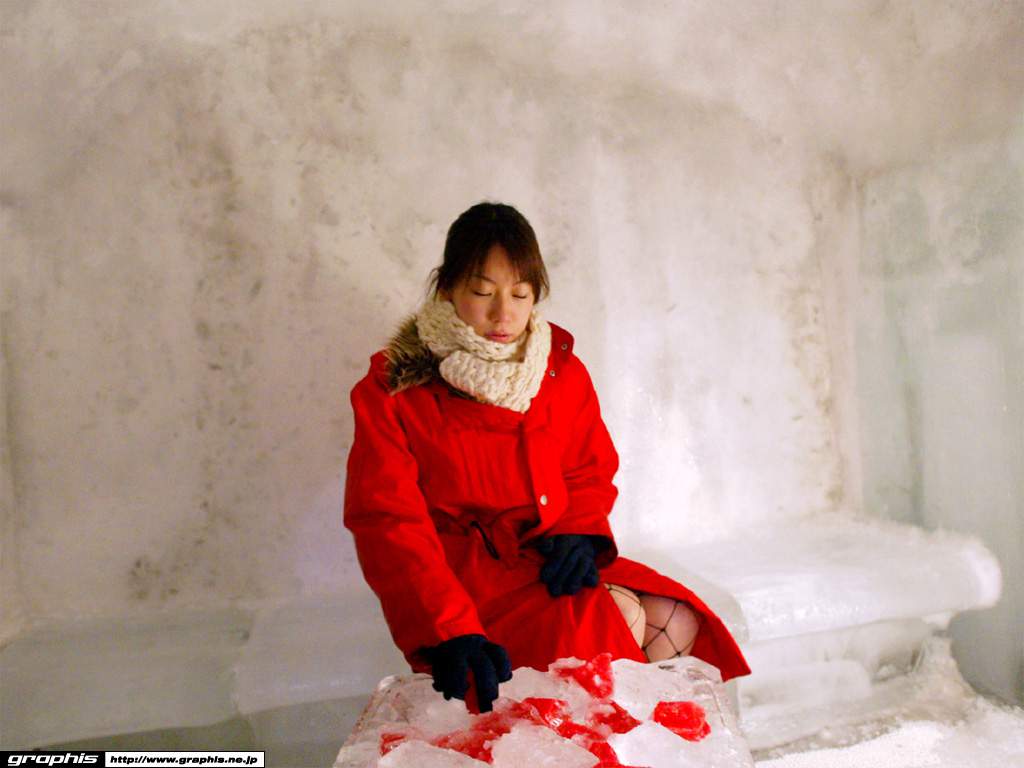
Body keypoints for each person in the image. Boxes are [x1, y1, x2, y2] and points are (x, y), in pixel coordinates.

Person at [344, 202, 750, 712]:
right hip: (463, 586)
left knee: (677, 616)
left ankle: (639, 742)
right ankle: (593, 742)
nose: (503, 314)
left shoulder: (558, 369)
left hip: (542, 562)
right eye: (482, 292)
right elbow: (388, 522)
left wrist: (579, 531)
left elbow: (587, 466)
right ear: (447, 288)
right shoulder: (395, 390)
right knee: (617, 617)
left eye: (520, 294)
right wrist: (448, 628)